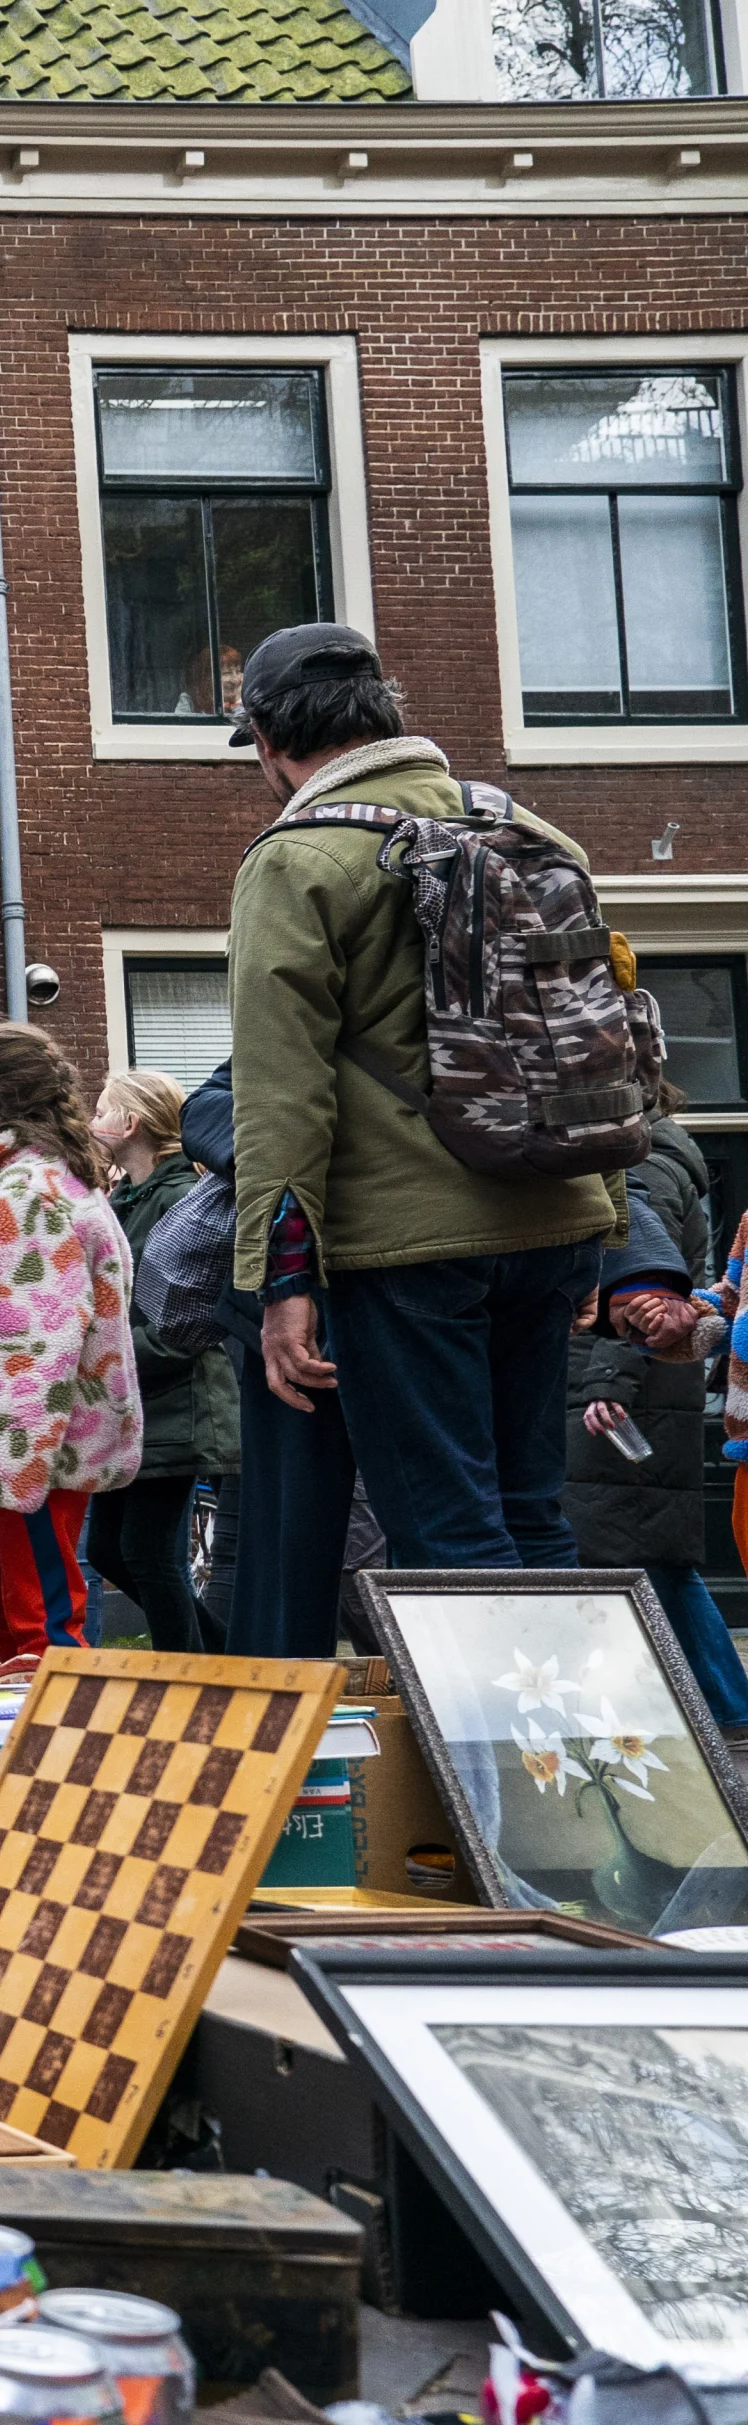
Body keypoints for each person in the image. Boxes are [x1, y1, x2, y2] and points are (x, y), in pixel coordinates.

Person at [229, 622, 619, 1634]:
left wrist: (282, 1281)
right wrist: (602, 1223)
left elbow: (282, 1096)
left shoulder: (299, 861)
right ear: (386, 715)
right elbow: (602, 1045)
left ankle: (494, 1793)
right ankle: (576, 1778)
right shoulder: (536, 833)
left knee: (445, 1531)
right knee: (534, 1514)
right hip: (553, 1220)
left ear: (270, 738)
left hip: (408, 1249)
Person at [0, 1024, 141, 1660]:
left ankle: (60, 1735)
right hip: (27, 1444)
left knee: (42, 1621)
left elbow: (27, 1346)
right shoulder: (42, 1185)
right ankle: (29, 1709)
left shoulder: (30, 1195)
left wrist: (11, 1463)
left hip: (33, 1448)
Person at [567, 1111, 748, 1724]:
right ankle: (722, 1708)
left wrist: (611, 1375)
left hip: (621, 1390)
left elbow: (640, 1277)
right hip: (637, 1381)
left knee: (638, 1556)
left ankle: (723, 1708)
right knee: (641, 1553)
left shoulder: (642, 1167)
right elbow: (705, 1299)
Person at [90, 1065, 233, 1654]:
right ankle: (228, 1655)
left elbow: (181, 1325)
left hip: (175, 1403)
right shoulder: (124, 1197)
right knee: (107, 1551)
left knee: (147, 1554)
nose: (91, 1118)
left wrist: (106, 1362)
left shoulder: (179, 1197)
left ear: (131, 1123)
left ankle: (194, 1677)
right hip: (134, 1402)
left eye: (101, 1108)